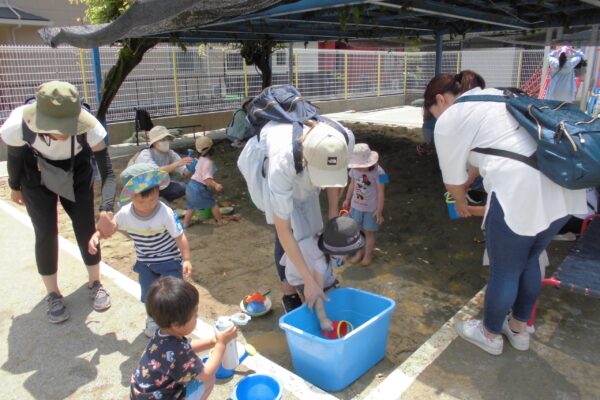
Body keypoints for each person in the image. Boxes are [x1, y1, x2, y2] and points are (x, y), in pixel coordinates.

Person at [423, 70, 586, 355]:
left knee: (506, 269)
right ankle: (519, 329)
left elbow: (452, 182)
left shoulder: (450, 118)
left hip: (520, 192)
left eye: (433, 113)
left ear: (440, 100)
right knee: (530, 259)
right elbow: (499, 145)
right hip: (563, 185)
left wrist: (460, 201)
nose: (436, 118)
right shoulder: (501, 97)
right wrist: (474, 175)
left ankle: (489, 334)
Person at [1, 81, 116, 324]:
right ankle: (52, 293)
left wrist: (107, 209)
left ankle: (95, 282)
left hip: (77, 171)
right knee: (45, 232)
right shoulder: (18, 124)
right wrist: (14, 186)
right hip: (35, 174)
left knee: (85, 227)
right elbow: (14, 157)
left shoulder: (90, 127)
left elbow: (107, 172)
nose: (63, 131)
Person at [241, 119, 354, 312]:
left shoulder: (343, 139)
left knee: (313, 230)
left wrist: (333, 219)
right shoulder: (281, 163)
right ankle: (289, 293)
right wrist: (309, 281)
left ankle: (317, 282)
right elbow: (283, 229)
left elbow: (334, 178)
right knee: (287, 232)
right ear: (308, 160)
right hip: (267, 166)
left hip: (302, 169)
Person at [88, 163, 192, 337]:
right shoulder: (126, 213)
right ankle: (152, 319)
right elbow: (111, 228)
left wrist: (186, 259)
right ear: (131, 197)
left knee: (173, 293)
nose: (148, 205)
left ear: (158, 191)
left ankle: (175, 320)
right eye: (142, 200)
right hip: (145, 262)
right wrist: (96, 236)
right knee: (149, 293)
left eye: (153, 199)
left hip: (169, 260)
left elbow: (179, 236)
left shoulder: (164, 212)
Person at [130, 276, 237, 400]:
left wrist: (212, 341)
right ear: (175, 324)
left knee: (191, 372)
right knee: (208, 381)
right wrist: (221, 345)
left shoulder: (160, 334)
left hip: (140, 395)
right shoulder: (179, 352)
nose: (197, 316)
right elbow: (207, 374)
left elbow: (186, 348)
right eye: (194, 315)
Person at [280, 216, 365, 331]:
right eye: (346, 253)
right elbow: (317, 293)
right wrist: (323, 319)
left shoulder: (328, 239)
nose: (347, 256)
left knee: (330, 290)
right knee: (314, 299)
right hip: (300, 275)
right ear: (336, 251)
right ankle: (308, 321)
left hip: (309, 262)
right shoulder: (320, 261)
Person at [343, 143, 388, 266]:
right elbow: (352, 184)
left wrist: (379, 209)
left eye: (360, 166)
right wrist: (347, 199)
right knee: (355, 231)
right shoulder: (354, 170)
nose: (357, 168)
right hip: (355, 206)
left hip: (371, 209)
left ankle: (368, 255)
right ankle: (358, 253)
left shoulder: (380, 172)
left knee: (369, 232)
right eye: (355, 166)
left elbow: (381, 191)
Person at [134, 125, 193, 202]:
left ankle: (162, 201)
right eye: (162, 140)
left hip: (160, 185)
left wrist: (193, 167)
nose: (166, 142)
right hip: (143, 187)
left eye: (167, 139)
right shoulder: (145, 154)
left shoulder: (170, 153)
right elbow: (155, 172)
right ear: (154, 143)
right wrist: (177, 164)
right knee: (148, 196)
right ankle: (152, 201)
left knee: (183, 187)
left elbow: (185, 173)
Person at [184, 136, 227, 227]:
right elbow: (206, 179)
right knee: (213, 204)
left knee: (190, 207)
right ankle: (219, 221)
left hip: (190, 185)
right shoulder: (208, 162)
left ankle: (185, 224)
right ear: (211, 149)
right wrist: (216, 185)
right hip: (199, 187)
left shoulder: (200, 159)